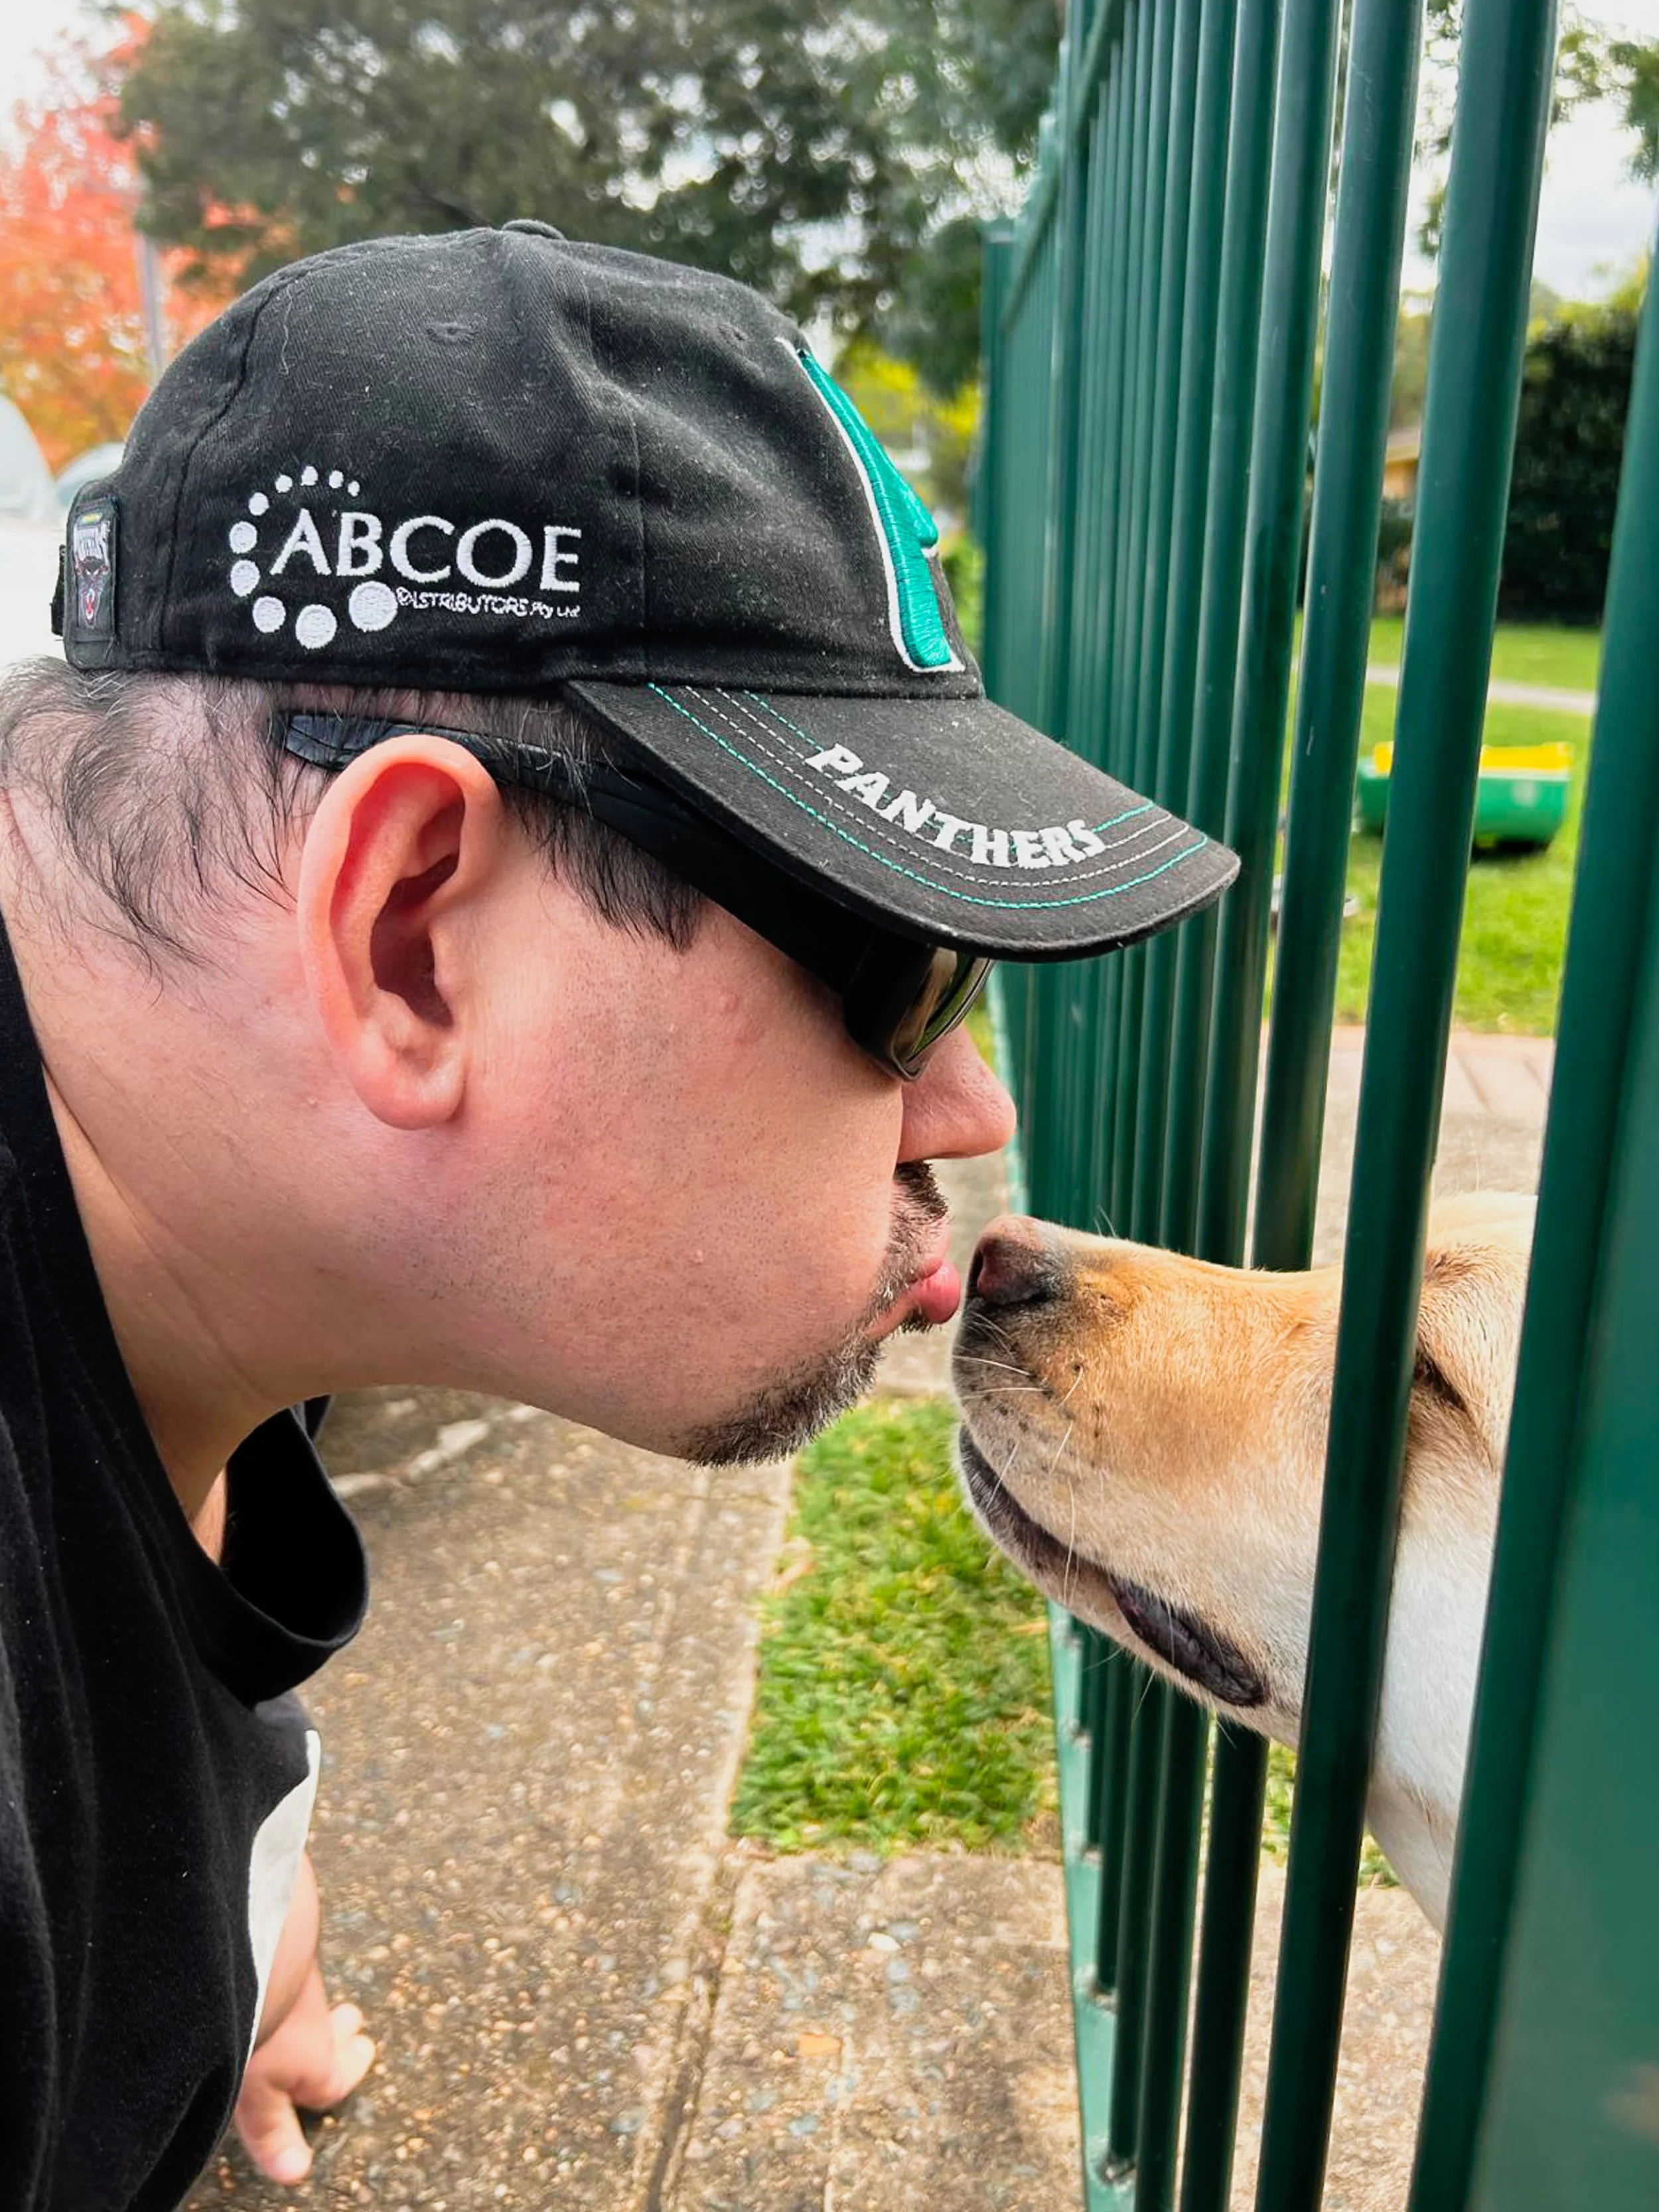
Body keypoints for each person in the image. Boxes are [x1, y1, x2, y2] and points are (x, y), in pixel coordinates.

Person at [0, 222, 1235, 2208]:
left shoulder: (185, 1187)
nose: (967, 1104)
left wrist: (227, 1914)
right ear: (410, 935)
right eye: (907, 967)